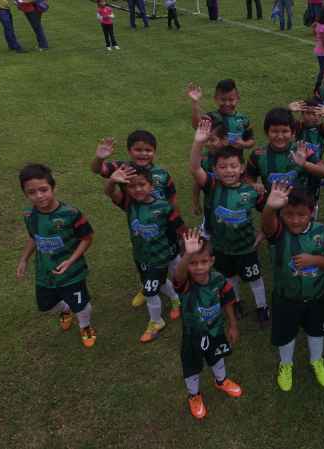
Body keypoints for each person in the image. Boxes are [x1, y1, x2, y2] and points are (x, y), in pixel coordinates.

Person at [262, 183, 324, 391]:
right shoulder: (278, 231)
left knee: (316, 331)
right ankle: (286, 364)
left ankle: (317, 360)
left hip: (317, 297)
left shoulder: (322, 232)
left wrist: (314, 260)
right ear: (281, 214)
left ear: (312, 212)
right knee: (286, 334)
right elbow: (267, 226)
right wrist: (269, 207)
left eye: (301, 215)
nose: (295, 220)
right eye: (289, 214)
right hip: (285, 298)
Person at [91, 131, 182, 313]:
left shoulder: (162, 174)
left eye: (148, 150)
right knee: (145, 258)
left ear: (154, 151)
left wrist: (176, 222)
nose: (143, 154)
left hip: (164, 225)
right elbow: (98, 170)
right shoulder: (122, 168)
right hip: (140, 220)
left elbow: (172, 198)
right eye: (138, 149)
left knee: (173, 262)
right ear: (129, 151)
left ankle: (180, 293)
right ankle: (148, 285)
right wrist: (99, 158)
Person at [189, 122, 271, 324]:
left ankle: (262, 307)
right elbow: (194, 168)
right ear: (215, 170)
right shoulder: (212, 186)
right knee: (229, 277)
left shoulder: (251, 192)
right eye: (223, 167)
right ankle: (236, 302)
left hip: (246, 248)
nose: (228, 171)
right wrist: (198, 142)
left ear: (242, 168)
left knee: (254, 278)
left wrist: (263, 232)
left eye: (233, 166)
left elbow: (270, 212)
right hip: (221, 247)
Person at [17, 164, 97, 348]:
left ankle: (85, 326)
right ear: (25, 193)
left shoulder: (70, 213)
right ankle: (66, 308)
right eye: (32, 192)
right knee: (46, 306)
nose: (39, 196)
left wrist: (71, 260)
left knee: (81, 305)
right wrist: (23, 259)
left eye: (43, 190)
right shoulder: (29, 215)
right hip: (45, 273)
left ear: (53, 187)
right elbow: (34, 238)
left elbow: (87, 238)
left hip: (72, 272)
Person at [104, 164, 186, 342]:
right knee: (159, 284)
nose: (137, 189)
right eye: (132, 186)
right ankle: (175, 299)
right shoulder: (128, 204)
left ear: (151, 185)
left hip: (160, 257)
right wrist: (112, 181)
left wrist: (187, 245)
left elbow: (180, 227)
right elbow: (109, 192)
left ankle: (156, 322)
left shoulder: (164, 207)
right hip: (141, 256)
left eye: (142, 184)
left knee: (150, 292)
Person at [175, 229, 243, 421]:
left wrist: (233, 325)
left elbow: (228, 301)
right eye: (193, 263)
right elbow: (178, 276)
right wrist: (187, 254)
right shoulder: (185, 284)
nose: (199, 267)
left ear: (211, 261)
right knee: (192, 366)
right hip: (193, 335)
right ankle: (194, 395)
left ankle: (221, 381)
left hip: (216, 330)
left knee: (217, 357)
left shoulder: (219, 279)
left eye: (203, 262)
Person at [245, 107, 324, 195]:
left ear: (292, 132)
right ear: (267, 132)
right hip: (271, 202)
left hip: (301, 202)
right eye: (274, 131)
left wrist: (305, 164)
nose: (280, 136)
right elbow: (248, 178)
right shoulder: (258, 155)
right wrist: (254, 185)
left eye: (285, 131)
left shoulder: (302, 150)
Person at [289, 99, 324, 218]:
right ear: (302, 114)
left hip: (316, 167)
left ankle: (312, 215)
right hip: (299, 167)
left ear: (320, 116)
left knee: (313, 194)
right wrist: (289, 111)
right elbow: (287, 123)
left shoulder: (320, 129)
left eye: (314, 114)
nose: (310, 117)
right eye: (307, 113)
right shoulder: (298, 127)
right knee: (298, 191)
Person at [188, 79, 256, 152]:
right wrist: (194, 102)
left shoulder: (243, 119)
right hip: (213, 159)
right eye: (223, 100)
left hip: (236, 159)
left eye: (231, 100)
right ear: (216, 99)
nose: (227, 103)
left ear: (238, 98)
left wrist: (244, 144)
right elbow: (197, 126)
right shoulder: (212, 117)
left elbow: (251, 140)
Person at [312, 5, 324, 95]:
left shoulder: (318, 25)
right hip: (322, 51)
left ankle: (323, 85)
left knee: (323, 69)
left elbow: (315, 33)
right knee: (323, 70)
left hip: (318, 50)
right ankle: (317, 87)